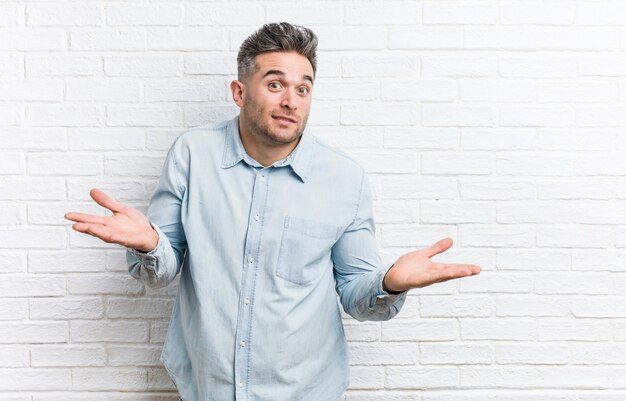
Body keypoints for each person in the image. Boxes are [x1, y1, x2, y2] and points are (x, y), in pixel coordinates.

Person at [64, 22, 480, 401]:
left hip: (304, 391)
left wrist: (388, 283)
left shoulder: (344, 177)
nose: (291, 101)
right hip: (206, 386)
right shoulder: (192, 155)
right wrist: (152, 244)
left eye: (303, 88)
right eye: (275, 84)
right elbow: (157, 272)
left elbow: (357, 294)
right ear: (240, 92)